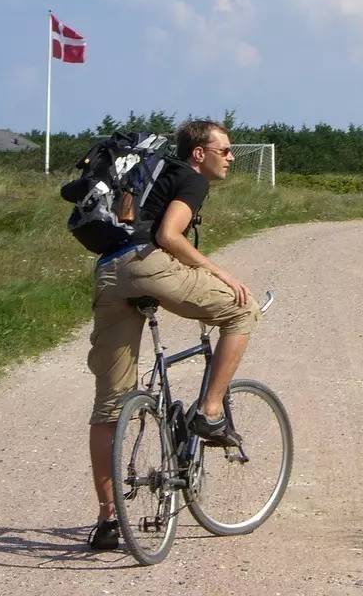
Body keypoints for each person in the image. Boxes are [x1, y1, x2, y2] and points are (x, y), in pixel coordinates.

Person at [85, 119, 260, 550]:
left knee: (110, 403)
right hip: (148, 264)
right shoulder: (190, 177)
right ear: (199, 153)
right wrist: (218, 271)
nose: (232, 157)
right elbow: (168, 235)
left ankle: (109, 519)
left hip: (109, 271)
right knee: (243, 311)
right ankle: (210, 411)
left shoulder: (155, 174)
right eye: (226, 150)